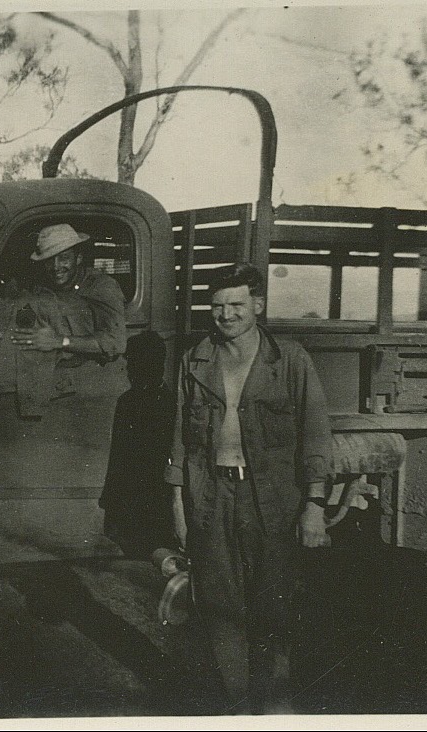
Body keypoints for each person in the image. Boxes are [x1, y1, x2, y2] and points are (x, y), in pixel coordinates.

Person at [165, 262, 333, 714]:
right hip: (211, 498)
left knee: (274, 606)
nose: (226, 315)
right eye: (218, 306)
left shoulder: (290, 360)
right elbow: (180, 438)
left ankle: (274, 706)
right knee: (219, 606)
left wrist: (314, 505)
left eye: (236, 304)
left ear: (258, 305)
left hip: (272, 501)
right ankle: (237, 709)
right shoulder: (195, 359)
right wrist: (178, 507)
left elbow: (315, 434)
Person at [101, 330, 176, 559]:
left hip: (156, 493)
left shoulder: (170, 403)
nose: (130, 370)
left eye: (135, 363)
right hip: (132, 493)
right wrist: (111, 503)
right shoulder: (128, 402)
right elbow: (118, 456)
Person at [10, 223, 127, 364]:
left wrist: (59, 341)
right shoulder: (42, 285)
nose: (56, 266)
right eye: (49, 260)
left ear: (78, 258)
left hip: (92, 370)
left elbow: (115, 342)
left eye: (64, 258)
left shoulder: (102, 286)